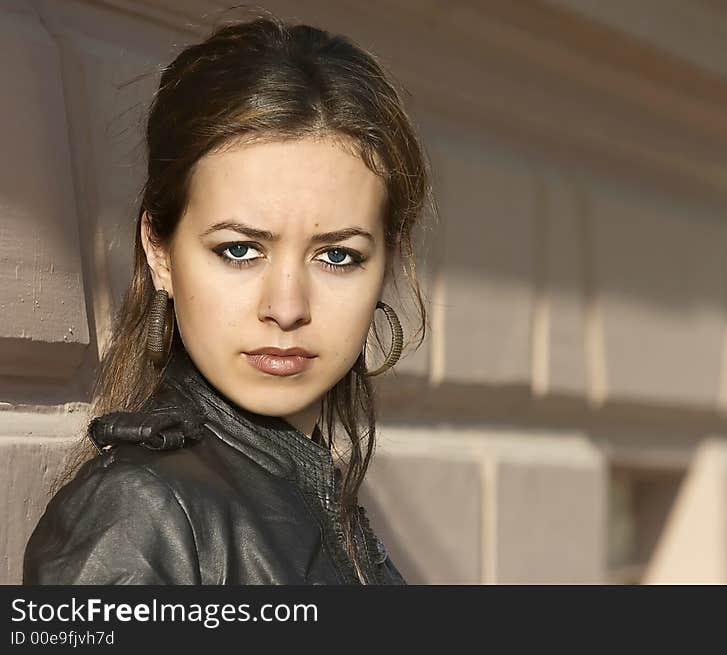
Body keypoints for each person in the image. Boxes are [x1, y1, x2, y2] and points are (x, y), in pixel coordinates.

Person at [22, 14, 431, 585]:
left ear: (385, 263)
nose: (286, 308)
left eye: (337, 256)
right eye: (240, 250)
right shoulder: (137, 517)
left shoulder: (329, 505)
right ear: (160, 251)